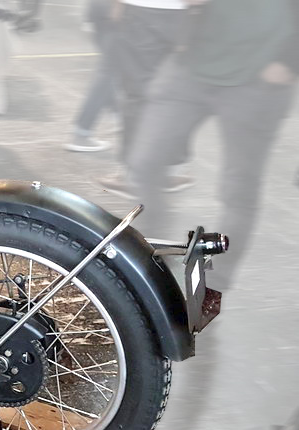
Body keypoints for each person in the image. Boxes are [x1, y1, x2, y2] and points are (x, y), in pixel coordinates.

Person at [121, 0, 299, 289]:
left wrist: (290, 60)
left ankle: (212, 284)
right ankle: (150, 255)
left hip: (259, 77)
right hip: (194, 61)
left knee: (238, 189)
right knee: (145, 161)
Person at [94, 0, 192, 189]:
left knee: (137, 93)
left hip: (142, 11)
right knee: (179, 94)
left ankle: (133, 175)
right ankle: (172, 171)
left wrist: (117, 4)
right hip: (184, 14)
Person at [64, 0, 119, 152]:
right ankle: (82, 132)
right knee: (110, 72)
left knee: (112, 70)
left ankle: (119, 114)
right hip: (119, 12)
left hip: (100, 9)